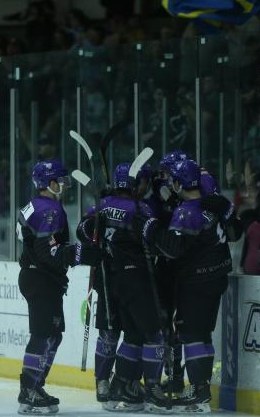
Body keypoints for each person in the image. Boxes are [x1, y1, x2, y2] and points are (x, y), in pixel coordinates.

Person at [133, 159, 232, 413]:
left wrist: (151, 229)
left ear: (178, 183)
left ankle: (199, 393)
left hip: (198, 279)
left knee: (192, 334)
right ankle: (200, 388)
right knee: (201, 333)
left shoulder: (187, 212)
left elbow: (174, 249)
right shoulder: (209, 205)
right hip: (216, 276)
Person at [78, 163, 171, 413]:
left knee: (125, 334)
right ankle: (151, 388)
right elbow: (155, 236)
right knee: (153, 333)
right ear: (132, 184)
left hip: (108, 281)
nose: (144, 187)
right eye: (141, 182)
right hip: (136, 280)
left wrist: (102, 217)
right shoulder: (139, 208)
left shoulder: (101, 205)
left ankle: (115, 386)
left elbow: (82, 232)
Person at [16, 159, 101, 414]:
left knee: (53, 334)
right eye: (60, 180)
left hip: (38, 278)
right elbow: (48, 253)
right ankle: (28, 391)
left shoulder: (34, 205)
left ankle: (35, 386)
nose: (64, 185)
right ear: (49, 183)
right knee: (44, 335)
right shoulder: (49, 210)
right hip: (41, 279)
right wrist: (83, 254)